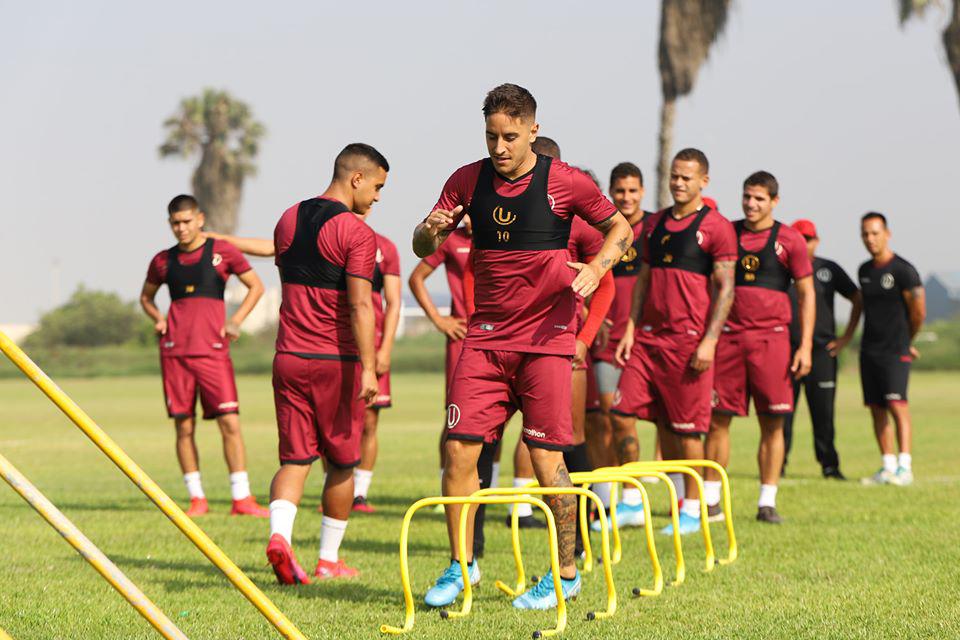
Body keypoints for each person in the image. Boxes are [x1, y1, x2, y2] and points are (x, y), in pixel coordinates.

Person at [412, 83, 632, 610]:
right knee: (458, 449)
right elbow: (421, 245)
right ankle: (462, 565)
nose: (500, 147)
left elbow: (620, 229)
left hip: (546, 342)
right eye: (492, 136)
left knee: (546, 458)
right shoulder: (466, 180)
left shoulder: (567, 182)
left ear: (533, 130)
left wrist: (597, 269)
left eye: (510, 136)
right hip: (486, 340)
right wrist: (430, 230)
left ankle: (566, 574)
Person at [264, 143, 386, 583]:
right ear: (356, 178)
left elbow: (288, 285)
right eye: (376, 187)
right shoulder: (356, 233)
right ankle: (328, 560)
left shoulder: (287, 218)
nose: (375, 198)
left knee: (295, 459)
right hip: (336, 362)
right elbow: (360, 306)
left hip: (289, 356)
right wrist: (370, 368)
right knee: (341, 464)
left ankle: (280, 537)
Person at [612, 148, 737, 536]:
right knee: (620, 414)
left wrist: (709, 341)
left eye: (687, 177)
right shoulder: (655, 224)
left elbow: (726, 289)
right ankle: (631, 500)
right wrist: (631, 327)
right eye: (674, 176)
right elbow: (643, 280)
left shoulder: (716, 227)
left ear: (704, 181)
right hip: (648, 342)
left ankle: (692, 508)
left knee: (686, 432)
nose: (679, 183)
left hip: (689, 344)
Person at [139, 195, 268, 518]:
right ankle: (197, 498)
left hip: (213, 352)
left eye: (186, 221)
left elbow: (256, 286)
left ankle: (242, 498)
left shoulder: (222, 253)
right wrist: (158, 317)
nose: (181, 228)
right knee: (184, 427)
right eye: (175, 223)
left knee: (230, 423)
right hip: (175, 354)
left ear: (200, 219)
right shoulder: (162, 261)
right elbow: (146, 297)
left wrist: (236, 321)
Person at [705, 172, 814, 524]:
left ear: (774, 202)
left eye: (760, 199)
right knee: (718, 421)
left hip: (772, 342)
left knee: (773, 423)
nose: (751, 204)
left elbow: (807, 294)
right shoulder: (728, 233)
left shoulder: (790, 240)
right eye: (747, 197)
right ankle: (711, 502)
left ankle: (767, 501)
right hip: (729, 341)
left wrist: (806, 346)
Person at [587, 162, 651, 519]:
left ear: (642, 191)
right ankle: (604, 499)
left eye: (632, 190)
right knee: (601, 419)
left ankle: (633, 498)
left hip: (642, 339)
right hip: (604, 340)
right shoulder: (602, 230)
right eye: (620, 191)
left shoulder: (653, 229)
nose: (626, 197)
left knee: (626, 417)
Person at [782, 219, 862, 480]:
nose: (804, 244)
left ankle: (829, 466)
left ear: (816, 241)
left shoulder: (828, 269)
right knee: (783, 414)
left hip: (821, 353)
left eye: (808, 239)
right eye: (799, 238)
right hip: (786, 352)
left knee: (824, 414)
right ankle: (778, 464)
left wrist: (846, 337)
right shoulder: (781, 268)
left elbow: (857, 298)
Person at [857, 212, 925, 487]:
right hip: (869, 350)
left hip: (895, 350)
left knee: (898, 406)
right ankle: (887, 465)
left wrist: (907, 340)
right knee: (876, 408)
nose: (870, 239)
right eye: (865, 234)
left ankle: (905, 467)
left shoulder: (903, 270)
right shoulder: (864, 270)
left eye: (875, 233)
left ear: (887, 234)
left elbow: (918, 311)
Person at [352, 231, 401, 512]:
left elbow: (393, 302)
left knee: (369, 423)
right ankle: (334, 486)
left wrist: (384, 350)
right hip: (339, 347)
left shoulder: (385, 247)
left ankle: (359, 493)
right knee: (337, 422)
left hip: (374, 344)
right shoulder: (332, 236)